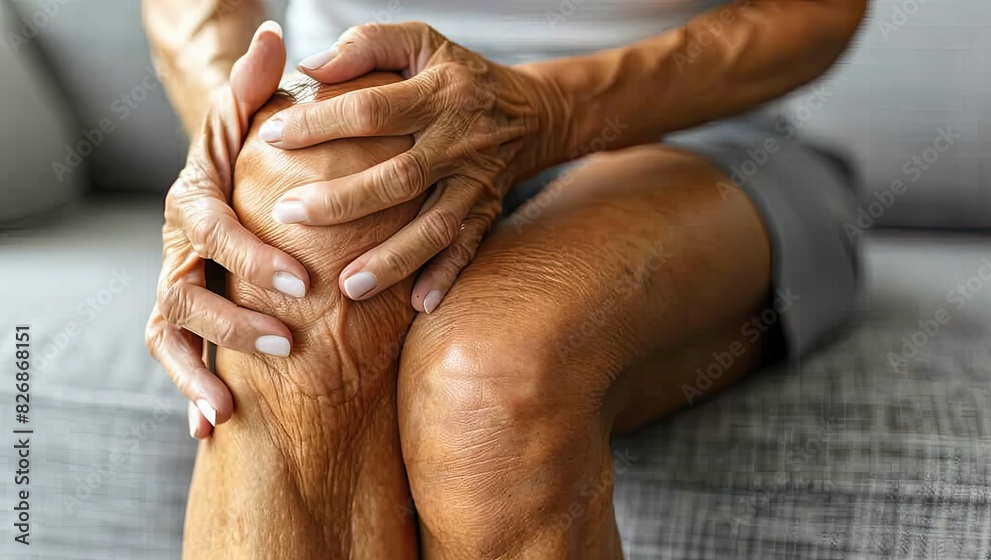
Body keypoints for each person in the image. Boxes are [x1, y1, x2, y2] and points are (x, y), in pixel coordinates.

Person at [143, 1, 867, 557]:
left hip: (686, 132)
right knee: (291, 284)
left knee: (483, 386)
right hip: (349, 131)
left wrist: (547, 110)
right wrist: (236, 145)